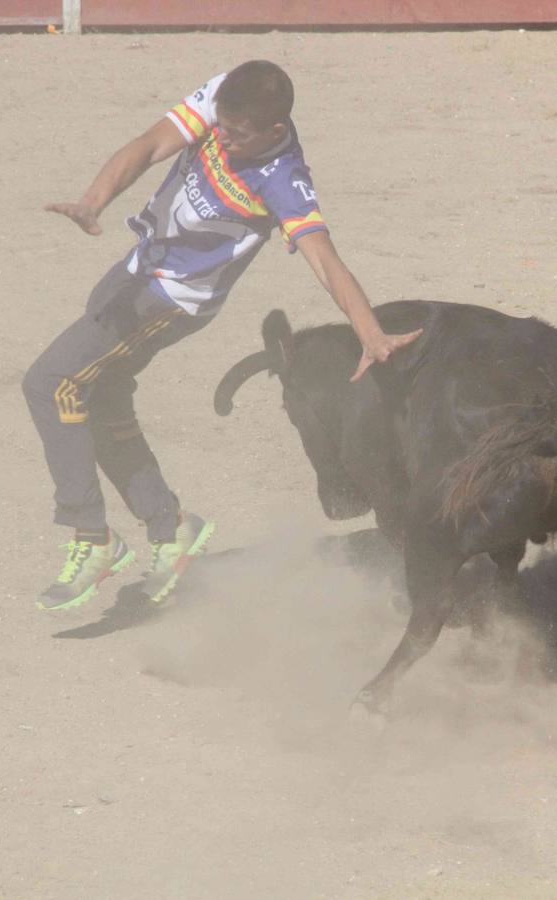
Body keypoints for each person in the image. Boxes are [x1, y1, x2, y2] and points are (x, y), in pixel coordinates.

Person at [24, 60, 421, 611]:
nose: (224, 138)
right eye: (221, 127)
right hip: (140, 266)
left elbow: (325, 261)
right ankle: (169, 527)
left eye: (237, 134)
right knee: (104, 391)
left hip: (168, 301)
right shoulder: (227, 95)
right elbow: (149, 144)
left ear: (274, 132)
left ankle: (93, 538)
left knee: (50, 383)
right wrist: (95, 199)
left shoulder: (284, 182)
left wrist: (371, 333)